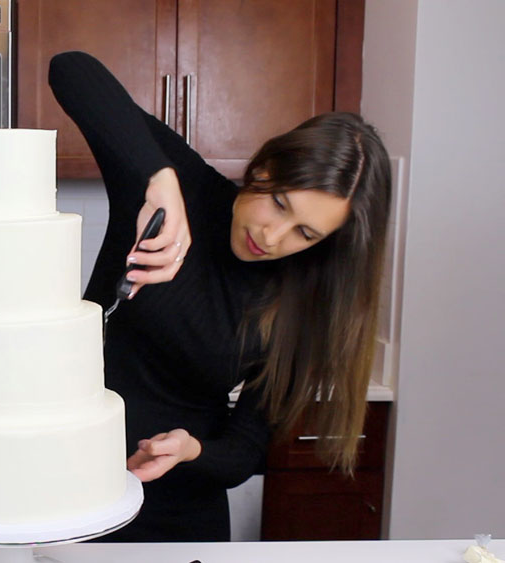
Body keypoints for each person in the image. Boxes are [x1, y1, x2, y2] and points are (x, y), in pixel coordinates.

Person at [48, 51, 392, 542]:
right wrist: (158, 178)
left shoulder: (300, 302)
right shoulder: (180, 192)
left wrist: (192, 451)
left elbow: (245, 450)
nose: (274, 238)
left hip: (179, 511)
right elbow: (71, 68)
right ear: (266, 164)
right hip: (69, 482)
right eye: (278, 204)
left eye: (306, 234)